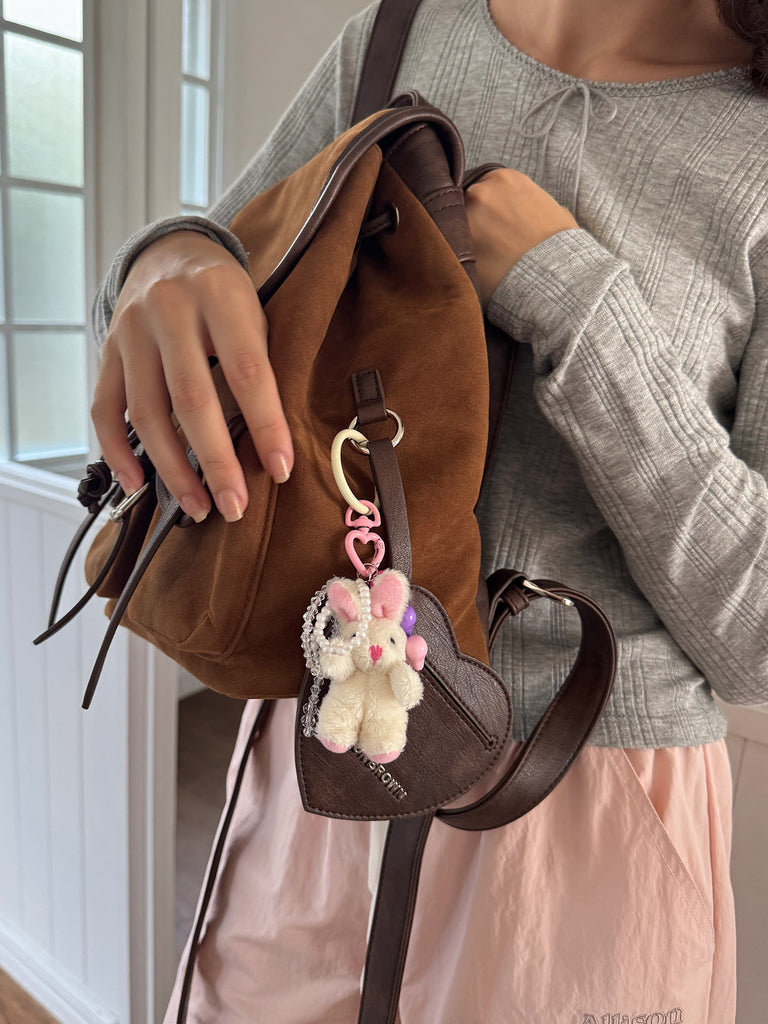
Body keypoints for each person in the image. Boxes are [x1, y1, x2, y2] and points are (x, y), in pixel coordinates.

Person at [90, 0, 768, 1020]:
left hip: (585, 813)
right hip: (328, 732)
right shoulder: (399, 31)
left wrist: (574, 297)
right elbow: (230, 263)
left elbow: (759, 637)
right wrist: (166, 259)